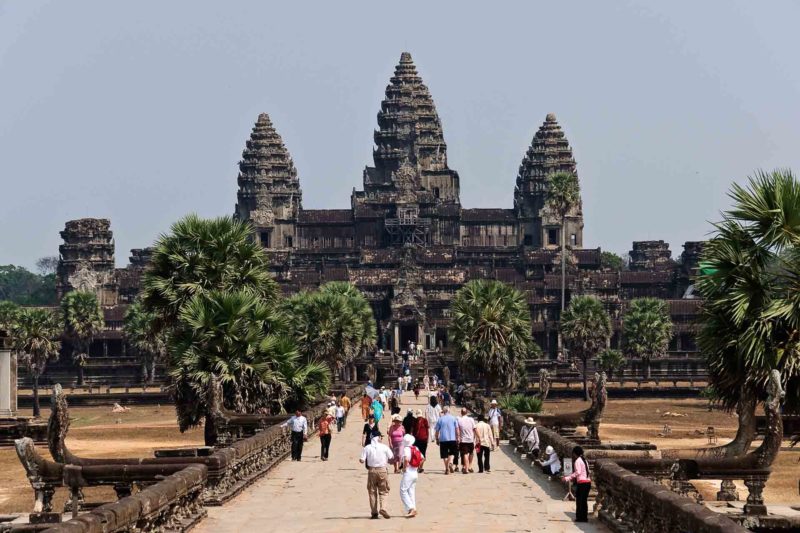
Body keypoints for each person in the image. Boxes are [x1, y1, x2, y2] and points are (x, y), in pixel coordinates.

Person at [360, 433, 394, 519]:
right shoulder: (384, 447)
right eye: (380, 437)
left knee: (372, 491)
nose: (381, 438)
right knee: (384, 490)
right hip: (382, 470)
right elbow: (391, 456)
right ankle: (383, 508)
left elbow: (362, 460)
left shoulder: (367, 447)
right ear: (378, 437)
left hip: (372, 471)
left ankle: (374, 512)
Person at [562, 445, 592, 522]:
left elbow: (577, 472)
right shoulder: (585, 460)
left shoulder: (577, 461)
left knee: (579, 501)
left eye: (573, 454)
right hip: (588, 482)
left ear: (575, 454)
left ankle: (579, 518)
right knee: (584, 501)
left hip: (582, 483)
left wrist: (567, 478)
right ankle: (584, 517)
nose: (572, 456)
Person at [400, 434, 423, 518]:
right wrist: (418, 466)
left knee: (403, 490)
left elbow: (406, 459)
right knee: (411, 491)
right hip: (415, 472)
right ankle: (413, 508)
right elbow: (422, 458)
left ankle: (411, 508)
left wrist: (404, 468)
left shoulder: (406, 449)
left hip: (408, 472)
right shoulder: (416, 448)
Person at [434, 406, 460, 475]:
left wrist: (437, 438)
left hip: (443, 439)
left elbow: (437, 430)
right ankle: (451, 462)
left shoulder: (440, 419)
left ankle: (447, 468)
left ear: (443, 411)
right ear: (449, 411)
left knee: (444, 455)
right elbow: (457, 429)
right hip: (452, 438)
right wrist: (458, 437)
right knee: (453, 453)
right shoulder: (454, 418)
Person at [457, 408, 476, 474]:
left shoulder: (459, 420)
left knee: (465, 454)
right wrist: (476, 437)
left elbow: (458, 431)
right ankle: (470, 466)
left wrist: (458, 438)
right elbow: (474, 429)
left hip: (463, 439)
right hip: (471, 439)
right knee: (471, 453)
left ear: (461, 413)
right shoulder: (471, 419)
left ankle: (466, 468)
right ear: (467, 412)